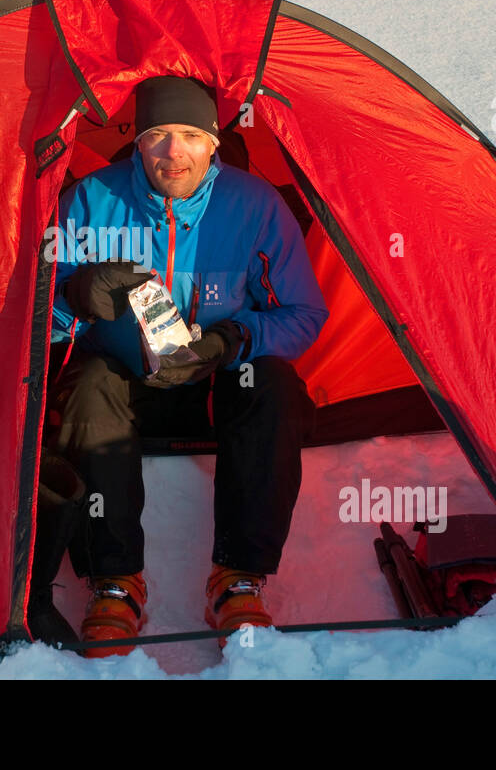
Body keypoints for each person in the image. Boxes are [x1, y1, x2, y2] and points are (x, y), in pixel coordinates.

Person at [36, 75, 329, 657]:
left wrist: (231, 340)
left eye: (191, 136)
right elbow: (34, 319)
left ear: (215, 142)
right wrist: (74, 295)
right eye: (158, 136)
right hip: (123, 373)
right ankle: (115, 582)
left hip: (215, 374)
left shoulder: (254, 205)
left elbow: (303, 315)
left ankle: (239, 576)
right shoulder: (91, 201)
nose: (175, 153)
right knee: (87, 386)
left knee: (273, 384)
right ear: (137, 142)